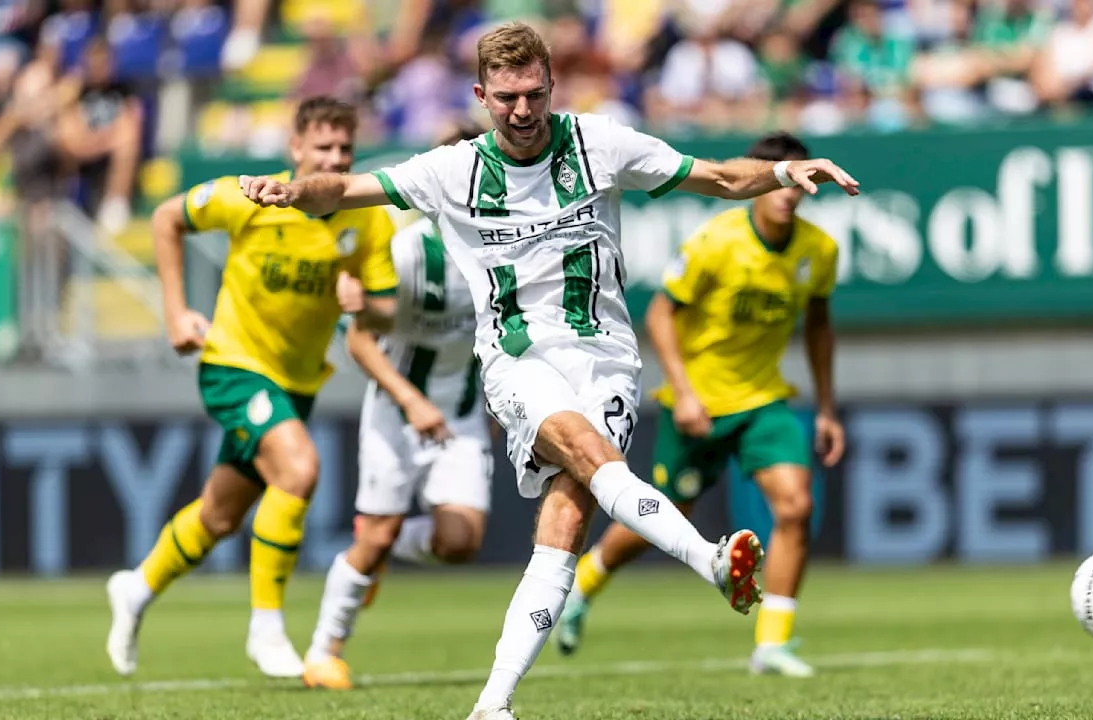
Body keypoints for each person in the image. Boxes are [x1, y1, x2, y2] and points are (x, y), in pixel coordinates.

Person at [239, 22, 859, 719]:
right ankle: (709, 560)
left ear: (551, 85)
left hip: (609, 362)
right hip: (519, 359)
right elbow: (349, 187)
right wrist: (293, 193)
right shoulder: (452, 171)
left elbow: (714, 176)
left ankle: (492, 706)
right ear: (481, 94)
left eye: (534, 94)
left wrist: (781, 173)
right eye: (506, 98)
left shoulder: (602, 143)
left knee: (564, 523)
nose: (523, 111)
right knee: (588, 456)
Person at [104, 96, 400, 680]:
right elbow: (166, 218)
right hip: (233, 361)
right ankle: (266, 626)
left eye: (345, 148)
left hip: (296, 381)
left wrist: (367, 307)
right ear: (295, 149)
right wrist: (175, 313)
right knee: (299, 469)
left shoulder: (367, 215)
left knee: (219, 515)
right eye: (323, 147)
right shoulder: (252, 195)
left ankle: (135, 588)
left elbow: (388, 311)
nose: (337, 158)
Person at [556, 131, 845, 677]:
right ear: (759, 181)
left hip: (763, 400)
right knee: (663, 517)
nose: (787, 191)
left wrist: (827, 407)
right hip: (701, 405)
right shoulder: (717, 241)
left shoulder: (818, 251)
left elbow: (820, 327)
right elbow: (662, 313)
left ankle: (772, 644)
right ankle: (585, 585)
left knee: (796, 507)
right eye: (775, 176)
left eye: (796, 178)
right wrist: (683, 392)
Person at [302, 123, 496, 690]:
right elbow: (362, 337)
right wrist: (411, 399)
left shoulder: (509, 247)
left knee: (459, 544)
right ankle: (323, 652)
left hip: (458, 414)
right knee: (377, 536)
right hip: (396, 406)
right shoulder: (408, 248)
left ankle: (377, 549)